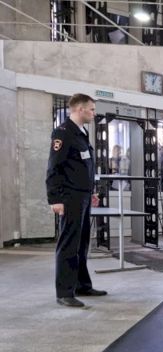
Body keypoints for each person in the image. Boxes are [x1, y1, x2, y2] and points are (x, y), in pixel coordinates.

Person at [45, 93, 107, 308]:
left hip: (83, 196)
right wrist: (55, 199)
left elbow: (82, 167)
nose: (94, 113)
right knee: (69, 244)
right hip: (69, 197)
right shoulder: (63, 133)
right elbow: (54, 168)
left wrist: (91, 191)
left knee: (82, 243)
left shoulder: (81, 133)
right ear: (80, 109)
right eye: (92, 109)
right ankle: (64, 292)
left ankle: (82, 285)